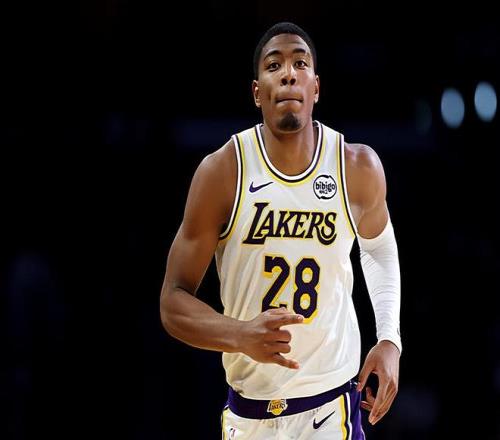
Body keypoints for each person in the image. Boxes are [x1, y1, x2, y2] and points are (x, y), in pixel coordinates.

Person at [160, 22, 402, 439]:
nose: (289, 73)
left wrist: (389, 338)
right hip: (250, 413)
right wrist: (238, 334)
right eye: (274, 65)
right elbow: (172, 301)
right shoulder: (223, 172)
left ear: (316, 87)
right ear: (257, 92)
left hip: (331, 410)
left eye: (300, 64)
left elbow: (378, 248)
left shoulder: (355, 166)